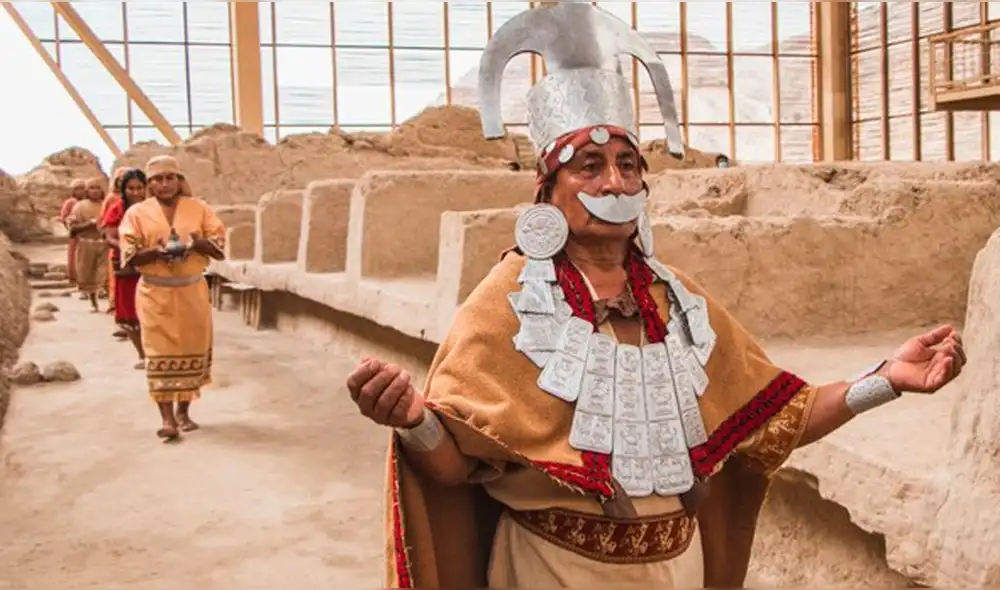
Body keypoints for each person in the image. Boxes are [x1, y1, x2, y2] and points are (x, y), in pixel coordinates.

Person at [344, 4, 967, 589]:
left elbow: (780, 419)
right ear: (548, 192)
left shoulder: (679, 300)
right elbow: (456, 468)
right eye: (588, 166)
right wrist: (415, 421)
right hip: (553, 570)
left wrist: (886, 378)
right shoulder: (504, 303)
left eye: (628, 163)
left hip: (678, 569)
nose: (613, 180)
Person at [119, 155, 226, 442]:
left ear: (179, 180)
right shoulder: (137, 214)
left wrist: (202, 244)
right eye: (157, 179)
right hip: (155, 293)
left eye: (169, 177)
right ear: (149, 184)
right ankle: (167, 419)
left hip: (192, 290)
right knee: (158, 354)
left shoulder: (199, 208)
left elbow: (219, 247)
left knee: (192, 349)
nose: (164, 184)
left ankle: (183, 411)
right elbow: (128, 256)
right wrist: (155, 252)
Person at [102, 168, 148, 369]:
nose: (136, 192)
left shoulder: (152, 209)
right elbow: (109, 235)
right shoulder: (117, 209)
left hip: (150, 263)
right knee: (128, 313)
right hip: (125, 265)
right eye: (131, 188)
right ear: (124, 189)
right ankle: (142, 355)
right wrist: (126, 248)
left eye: (139, 188)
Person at [65, 177, 109, 312]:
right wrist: (89, 224)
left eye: (98, 188)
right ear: (87, 191)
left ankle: (109, 303)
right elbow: (72, 228)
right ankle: (93, 303)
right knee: (87, 275)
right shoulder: (80, 206)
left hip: (105, 244)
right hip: (86, 244)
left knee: (105, 273)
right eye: (92, 188)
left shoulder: (106, 205)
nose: (95, 191)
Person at [99, 167, 127, 317]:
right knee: (115, 276)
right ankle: (114, 305)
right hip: (116, 241)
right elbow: (104, 220)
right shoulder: (112, 198)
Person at [59, 179, 87, 286]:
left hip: (87, 234)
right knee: (74, 256)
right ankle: (74, 278)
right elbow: (64, 216)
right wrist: (70, 224)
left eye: (82, 188)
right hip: (75, 233)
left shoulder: (88, 202)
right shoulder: (70, 202)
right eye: (77, 189)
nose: (80, 191)